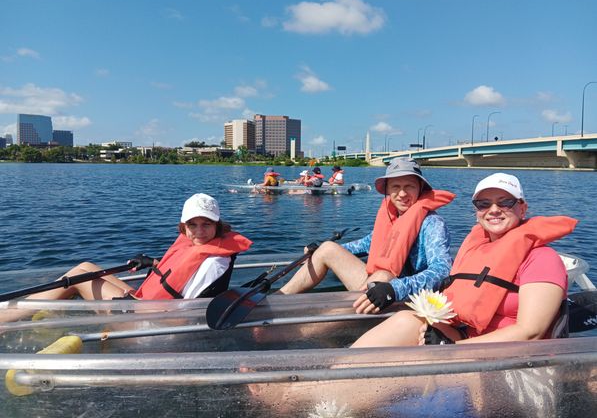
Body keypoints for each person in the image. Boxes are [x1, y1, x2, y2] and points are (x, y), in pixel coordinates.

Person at [351, 173, 577, 348]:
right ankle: (335, 377)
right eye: (484, 204)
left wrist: (453, 348)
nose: (494, 210)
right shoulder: (475, 251)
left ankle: (340, 393)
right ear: (477, 211)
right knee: (406, 320)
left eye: (505, 202)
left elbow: (531, 332)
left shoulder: (542, 259)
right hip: (464, 339)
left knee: (398, 371)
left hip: (508, 361)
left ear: (523, 208)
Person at [3, 194, 252, 312]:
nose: (199, 231)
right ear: (183, 227)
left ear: (217, 226)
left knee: (78, 282)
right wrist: (153, 263)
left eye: (206, 224)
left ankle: (6, 320)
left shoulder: (214, 263)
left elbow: (188, 310)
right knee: (86, 267)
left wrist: (132, 305)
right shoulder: (200, 248)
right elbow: (178, 279)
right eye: (192, 225)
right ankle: (21, 310)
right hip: (145, 305)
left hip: (148, 323)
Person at [279, 157, 454, 314]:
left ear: (420, 189)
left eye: (409, 186)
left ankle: (302, 331)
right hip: (377, 288)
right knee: (327, 248)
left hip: (406, 298)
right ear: (387, 190)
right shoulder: (393, 216)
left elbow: (442, 269)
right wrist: (318, 250)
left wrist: (396, 288)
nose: (402, 194)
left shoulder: (432, 224)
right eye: (396, 187)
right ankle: (275, 299)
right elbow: (366, 244)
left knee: (383, 275)